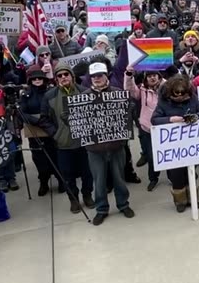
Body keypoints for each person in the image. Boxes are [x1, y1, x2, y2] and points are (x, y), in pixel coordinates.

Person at [83, 63, 134, 226]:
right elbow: (75, 120)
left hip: (116, 145)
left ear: (106, 76)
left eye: (100, 75)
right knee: (99, 180)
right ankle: (101, 209)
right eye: (94, 76)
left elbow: (128, 116)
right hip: (94, 148)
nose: (97, 79)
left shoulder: (118, 93)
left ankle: (123, 204)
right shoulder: (83, 97)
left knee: (119, 178)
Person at [151, 76, 199, 213]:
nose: (179, 97)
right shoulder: (164, 102)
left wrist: (196, 117)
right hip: (173, 148)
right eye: (176, 94)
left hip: (190, 145)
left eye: (182, 94)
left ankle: (193, 198)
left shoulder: (193, 99)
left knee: (191, 173)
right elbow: (154, 120)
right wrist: (170, 119)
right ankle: (180, 201)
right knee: (177, 176)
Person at [46, 65, 93, 214]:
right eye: (59, 76)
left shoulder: (85, 91)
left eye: (66, 74)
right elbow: (44, 119)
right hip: (63, 144)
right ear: (56, 79)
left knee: (87, 173)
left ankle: (87, 195)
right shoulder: (50, 96)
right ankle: (73, 199)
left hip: (84, 143)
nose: (63, 77)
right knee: (67, 175)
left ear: (72, 76)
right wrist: (56, 134)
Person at [20, 68, 61, 196]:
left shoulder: (51, 92)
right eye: (34, 79)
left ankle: (61, 180)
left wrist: (46, 121)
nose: (37, 80)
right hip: (35, 131)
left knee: (55, 156)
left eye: (39, 78)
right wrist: (36, 121)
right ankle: (43, 182)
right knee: (39, 158)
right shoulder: (26, 95)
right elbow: (21, 113)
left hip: (51, 129)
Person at [126, 68, 164, 191]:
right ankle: (153, 179)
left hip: (164, 127)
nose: (152, 78)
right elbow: (129, 90)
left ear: (159, 76)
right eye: (149, 76)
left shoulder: (167, 87)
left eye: (154, 75)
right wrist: (129, 75)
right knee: (151, 156)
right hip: (147, 128)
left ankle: (172, 177)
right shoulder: (142, 90)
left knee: (168, 155)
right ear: (145, 78)